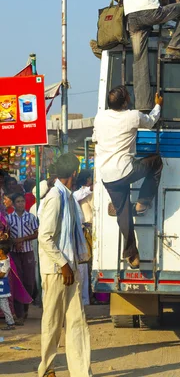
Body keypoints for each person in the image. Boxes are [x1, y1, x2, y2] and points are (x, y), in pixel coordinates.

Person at [93, 87, 163, 269]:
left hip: (107, 175)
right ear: (124, 102)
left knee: (123, 212)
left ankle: (132, 254)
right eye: (128, 95)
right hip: (125, 170)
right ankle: (142, 202)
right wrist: (158, 105)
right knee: (156, 162)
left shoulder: (100, 117)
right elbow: (151, 121)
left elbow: (95, 137)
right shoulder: (132, 116)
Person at [38, 153, 92, 377]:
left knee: (77, 323)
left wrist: (71, 265)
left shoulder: (68, 196)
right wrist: (63, 264)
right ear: (74, 173)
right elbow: (45, 236)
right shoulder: (55, 197)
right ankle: (46, 369)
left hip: (70, 269)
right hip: (57, 270)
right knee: (52, 322)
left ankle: (81, 372)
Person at [8, 192, 38, 322]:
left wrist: (23, 239)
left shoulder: (31, 217)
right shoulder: (9, 218)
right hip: (14, 253)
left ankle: (26, 309)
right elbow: (6, 235)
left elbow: (37, 233)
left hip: (28, 252)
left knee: (29, 281)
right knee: (16, 281)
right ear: (14, 204)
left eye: (22, 201)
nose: (21, 204)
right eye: (18, 202)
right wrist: (14, 241)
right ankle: (19, 313)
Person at [74, 170, 94, 306]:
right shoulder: (78, 193)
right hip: (85, 231)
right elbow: (79, 195)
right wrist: (91, 188)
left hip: (93, 229)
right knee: (85, 264)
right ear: (87, 180)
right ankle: (85, 298)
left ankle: (90, 297)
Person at [0, 240, 16, 331]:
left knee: (4, 306)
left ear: (1, 251)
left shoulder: (5, 261)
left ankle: (10, 323)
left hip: (2, 288)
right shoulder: (2, 259)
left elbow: (2, 274)